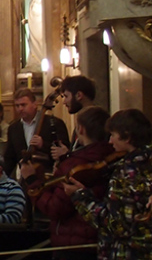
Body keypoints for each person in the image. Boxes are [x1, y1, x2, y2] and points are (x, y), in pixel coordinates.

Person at [22, 107, 113, 259]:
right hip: (102, 240)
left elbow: (55, 208)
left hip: (73, 243)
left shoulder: (76, 164)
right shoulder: (112, 156)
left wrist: (31, 180)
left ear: (80, 129)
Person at [65, 109, 152, 259]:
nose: (110, 141)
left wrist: (80, 196)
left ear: (127, 137)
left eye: (113, 135)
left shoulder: (129, 174)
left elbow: (115, 224)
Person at [3, 88, 70, 179]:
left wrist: (43, 145)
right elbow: (10, 158)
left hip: (49, 176)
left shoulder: (54, 123)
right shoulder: (14, 128)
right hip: (24, 178)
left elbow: (65, 151)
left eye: (23, 105)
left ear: (35, 104)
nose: (20, 109)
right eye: (17, 106)